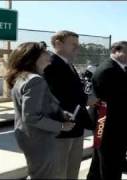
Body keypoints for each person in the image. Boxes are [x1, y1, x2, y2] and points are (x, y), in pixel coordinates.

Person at [6, 42, 75, 179]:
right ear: (34, 57)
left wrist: (60, 113)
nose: (49, 54)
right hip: (39, 138)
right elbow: (31, 116)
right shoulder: (35, 80)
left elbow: (38, 106)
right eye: (45, 52)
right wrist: (61, 126)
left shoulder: (24, 77)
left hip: (30, 136)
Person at [43, 30, 93, 179]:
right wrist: (85, 100)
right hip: (61, 128)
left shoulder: (68, 65)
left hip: (75, 126)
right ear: (58, 44)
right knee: (59, 172)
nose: (77, 48)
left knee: (72, 170)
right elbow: (54, 97)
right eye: (73, 44)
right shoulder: (50, 65)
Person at [89, 41, 127, 179]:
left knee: (100, 160)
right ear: (115, 50)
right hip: (109, 123)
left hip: (111, 122)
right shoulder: (109, 70)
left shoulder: (121, 68)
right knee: (110, 162)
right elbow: (114, 99)